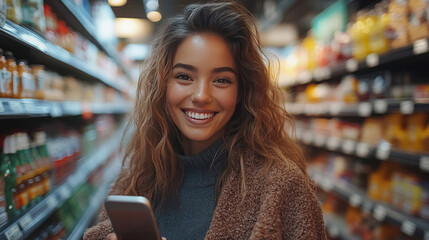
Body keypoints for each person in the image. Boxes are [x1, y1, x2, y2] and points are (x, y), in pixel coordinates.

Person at [84, 1, 327, 239]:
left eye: (221, 80)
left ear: (242, 91)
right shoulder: (138, 176)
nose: (201, 96)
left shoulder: (283, 186)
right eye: (184, 76)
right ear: (162, 86)